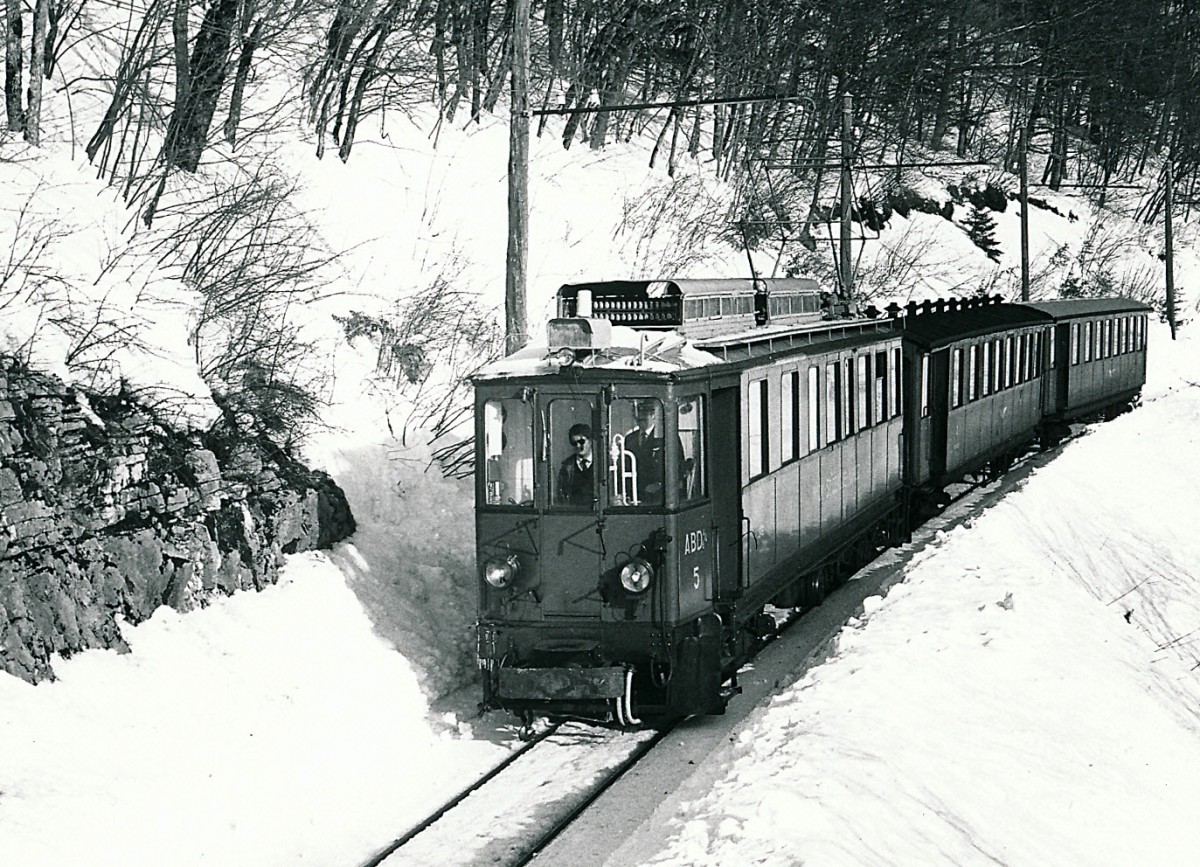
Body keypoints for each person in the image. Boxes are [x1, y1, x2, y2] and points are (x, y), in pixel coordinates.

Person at [623, 402, 666, 504]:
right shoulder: (630, 438)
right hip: (634, 493)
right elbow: (625, 466)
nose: (640, 420)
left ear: (653, 416)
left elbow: (676, 467)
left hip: (658, 495)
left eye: (644, 416)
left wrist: (659, 484)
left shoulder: (664, 437)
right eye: (638, 417)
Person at [557, 423, 594, 506]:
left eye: (581, 441)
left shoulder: (601, 465)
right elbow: (561, 495)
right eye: (574, 443)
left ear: (590, 441)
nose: (578, 446)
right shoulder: (567, 466)